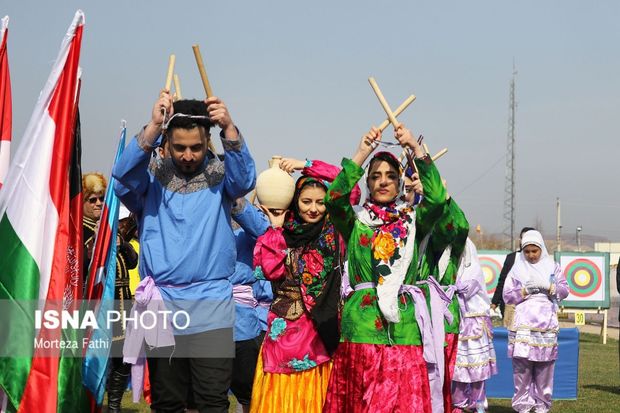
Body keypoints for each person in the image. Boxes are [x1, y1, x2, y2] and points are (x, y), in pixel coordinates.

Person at [113, 90, 256, 413]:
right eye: (179, 147)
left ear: (208, 142)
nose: (188, 155)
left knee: (211, 400)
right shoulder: (150, 179)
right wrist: (152, 127)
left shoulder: (222, 179)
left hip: (212, 307)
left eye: (196, 147)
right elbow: (122, 178)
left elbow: (245, 179)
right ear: (166, 144)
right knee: (167, 402)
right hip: (162, 308)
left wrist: (229, 128)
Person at [323, 125, 449, 412]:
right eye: (376, 176)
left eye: (391, 176)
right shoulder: (355, 221)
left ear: (399, 182)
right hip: (361, 327)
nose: (383, 182)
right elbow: (334, 197)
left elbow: (439, 199)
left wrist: (416, 151)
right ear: (367, 182)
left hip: (403, 326)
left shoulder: (415, 221)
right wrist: (361, 152)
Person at [250, 161, 350, 412]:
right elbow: (269, 270)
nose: (314, 209)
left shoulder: (334, 229)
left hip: (321, 335)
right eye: (306, 201)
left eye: (320, 202)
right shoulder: (281, 232)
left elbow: (349, 186)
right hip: (284, 337)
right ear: (295, 201)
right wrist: (275, 228)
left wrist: (305, 165)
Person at [503, 230, 569, 413]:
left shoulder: (552, 266)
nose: (531, 255)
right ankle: (522, 406)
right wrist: (524, 291)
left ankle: (542, 406)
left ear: (541, 248)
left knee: (544, 368)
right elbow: (507, 296)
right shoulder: (517, 268)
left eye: (535, 251)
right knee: (522, 369)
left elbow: (564, 290)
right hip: (523, 324)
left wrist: (550, 287)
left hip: (546, 323)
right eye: (527, 251)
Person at [229, 198, 270, 413]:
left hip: (247, 323)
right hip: (201, 312)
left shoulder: (249, 229)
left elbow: (264, 229)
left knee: (248, 390)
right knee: (199, 392)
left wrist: (234, 196)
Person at [450, 238, 497, 413]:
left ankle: (478, 403)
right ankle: (458, 403)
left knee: (478, 368)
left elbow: (465, 289)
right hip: (457, 322)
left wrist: (448, 287)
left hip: (475, 322)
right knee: (458, 368)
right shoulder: (449, 266)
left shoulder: (473, 269)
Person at [491, 227, 536, 328]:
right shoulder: (512, 258)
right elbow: (502, 281)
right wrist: (495, 302)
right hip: (511, 306)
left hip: (531, 306)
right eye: (523, 238)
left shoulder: (540, 260)